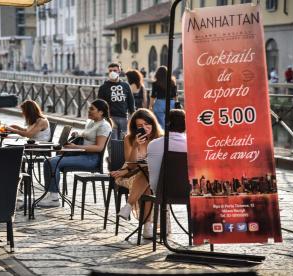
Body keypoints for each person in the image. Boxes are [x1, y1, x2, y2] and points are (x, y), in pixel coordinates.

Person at [39, 99, 113, 207]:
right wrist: (77, 134)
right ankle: (50, 193)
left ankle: (54, 198)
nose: (89, 111)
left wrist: (76, 146)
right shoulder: (91, 122)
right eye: (89, 108)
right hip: (82, 155)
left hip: (91, 159)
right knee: (49, 161)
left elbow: (99, 148)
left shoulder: (104, 126)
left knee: (52, 162)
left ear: (101, 112)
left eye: (92, 109)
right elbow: (87, 135)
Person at [112, 109, 163, 239]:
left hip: (151, 176)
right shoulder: (129, 139)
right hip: (129, 174)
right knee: (147, 180)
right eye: (140, 126)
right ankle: (147, 227)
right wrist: (135, 146)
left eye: (147, 124)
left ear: (153, 123)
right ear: (135, 128)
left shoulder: (159, 138)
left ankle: (128, 206)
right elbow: (131, 165)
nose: (145, 128)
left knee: (148, 176)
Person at [147, 109, 187, 200]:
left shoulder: (153, 144)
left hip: (160, 190)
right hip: (187, 190)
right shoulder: (191, 146)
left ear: (166, 123)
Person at [97, 63, 135, 140]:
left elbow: (131, 101)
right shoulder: (103, 87)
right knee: (112, 141)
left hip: (124, 117)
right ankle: (113, 152)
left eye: (115, 70)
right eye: (110, 70)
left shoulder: (125, 85)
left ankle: (122, 152)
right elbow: (100, 104)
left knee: (123, 141)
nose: (112, 72)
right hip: (110, 118)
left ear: (119, 71)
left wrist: (133, 115)